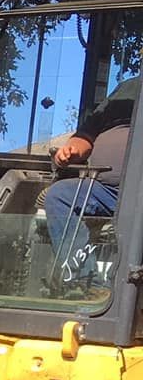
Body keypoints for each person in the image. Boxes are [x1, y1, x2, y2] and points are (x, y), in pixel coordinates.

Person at [44, 76, 138, 283]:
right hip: (107, 191)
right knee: (60, 196)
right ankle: (85, 280)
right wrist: (71, 151)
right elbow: (86, 136)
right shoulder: (125, 90)